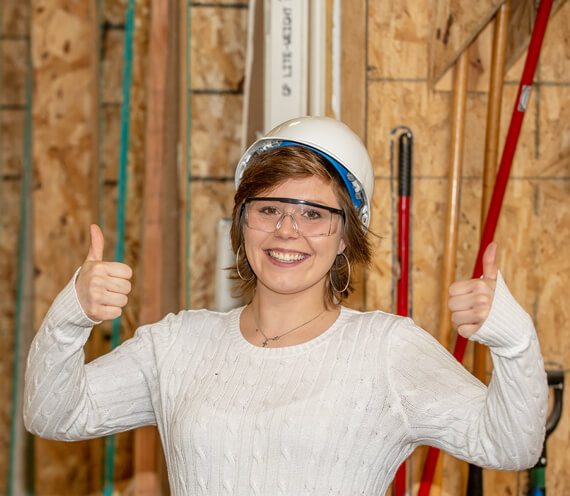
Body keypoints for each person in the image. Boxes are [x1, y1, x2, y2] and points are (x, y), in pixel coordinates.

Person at [24, 116, 548, 495]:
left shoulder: (385, 350)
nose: (286, 230)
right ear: (243, 223)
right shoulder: (178, 344)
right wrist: (72, 314)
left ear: (346, 236)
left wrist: (513, 338)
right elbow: (53, 414)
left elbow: (510, 447)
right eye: (269, 208)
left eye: (314, 214)